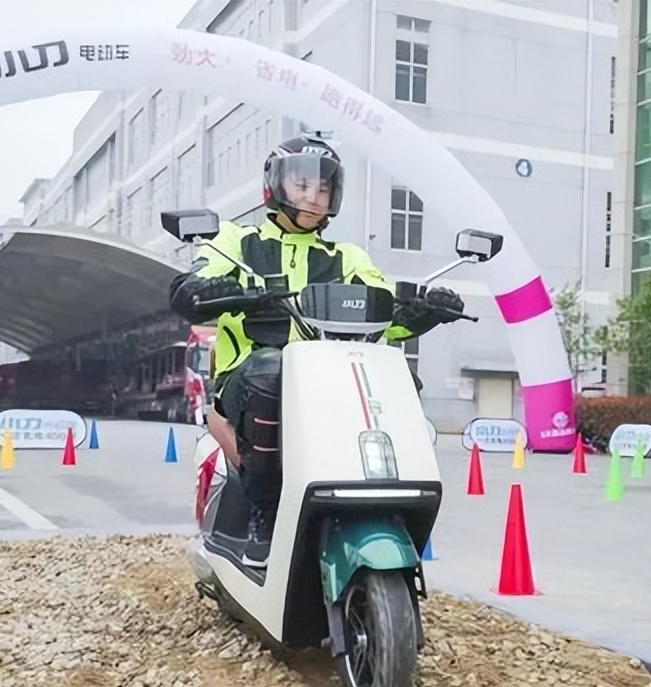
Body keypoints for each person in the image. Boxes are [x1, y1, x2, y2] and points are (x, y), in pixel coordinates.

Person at [168, 136, 466, 568]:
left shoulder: (346, 257)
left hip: (326, 382)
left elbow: (384, 309)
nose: (313, 197)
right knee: (271, 369)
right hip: (248, 382)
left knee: (394, 374)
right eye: (302, 185)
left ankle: (390, 503)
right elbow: (197, 282)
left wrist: (425, 310)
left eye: (323, 189)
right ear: (275, 187)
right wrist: (207, 288)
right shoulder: (235, 241)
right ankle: (265, 512)